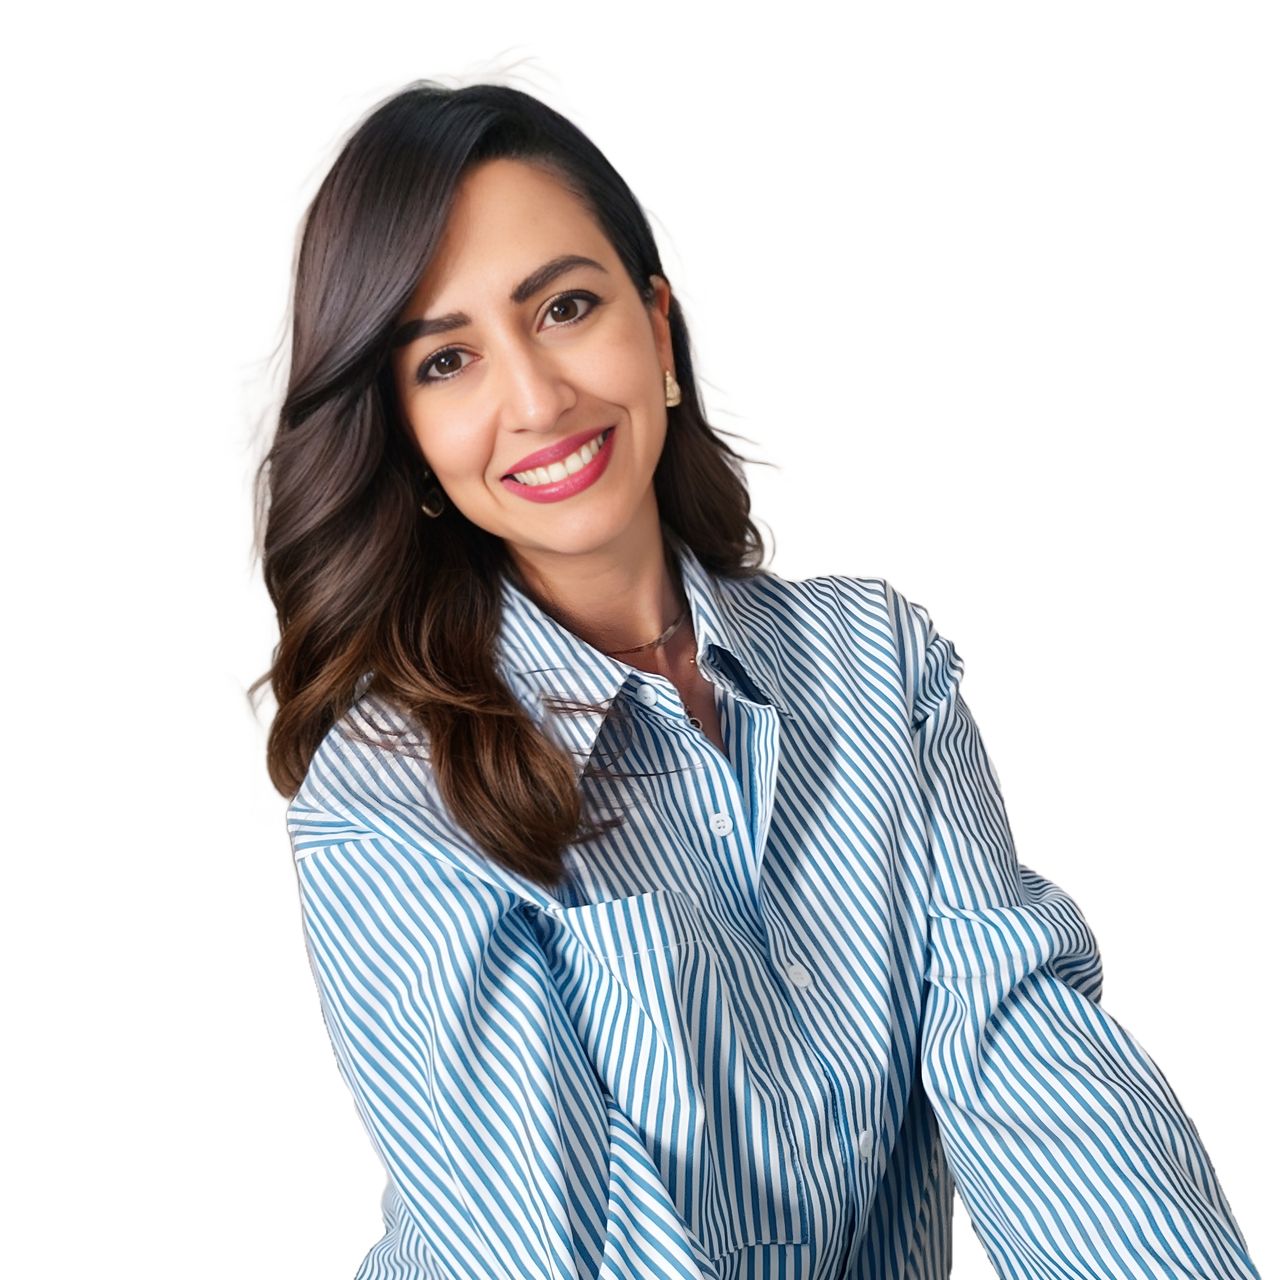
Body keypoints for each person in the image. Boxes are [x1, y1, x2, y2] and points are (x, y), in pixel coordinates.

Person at [254, 80, 1260, 1280]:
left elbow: (1031, 1069)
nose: (534, 398)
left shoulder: (875, 665)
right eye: (447, 360)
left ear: (656, 327)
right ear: (406, 436)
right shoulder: (385, 794)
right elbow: (547, 1242)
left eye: (564, 307)